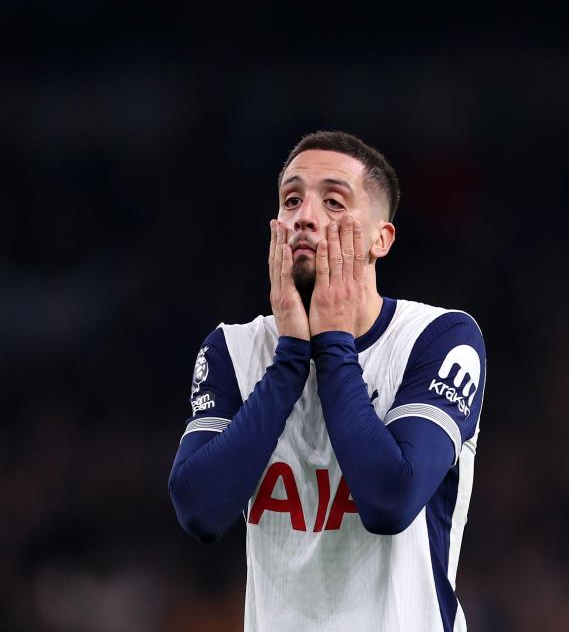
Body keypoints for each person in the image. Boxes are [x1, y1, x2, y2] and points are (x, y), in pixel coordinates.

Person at [168, 130, 486, 631]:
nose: (305, 217)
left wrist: (333, 343)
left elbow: (390, 500)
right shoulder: (233, 350)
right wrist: (292, 358)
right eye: (291, 200)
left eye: (334, 201)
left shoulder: (440, 339)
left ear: (381, 239)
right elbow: (199, 510)